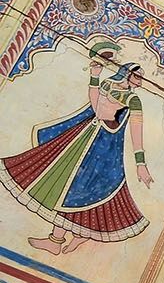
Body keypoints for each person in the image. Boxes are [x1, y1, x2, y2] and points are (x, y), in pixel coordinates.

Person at [3, 41, 155, 253]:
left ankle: (76, 235)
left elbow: (135, 129)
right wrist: (94, 76)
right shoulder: (108, 85)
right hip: (85, 137)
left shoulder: (133, 100)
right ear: (127, 72)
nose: (140, 82)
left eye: (141, 78)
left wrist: (140, 163)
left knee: (84, 191)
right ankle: (58, 240)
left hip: (104, 147)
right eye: (138, 76)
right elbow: (95, 106)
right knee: (65, 185)